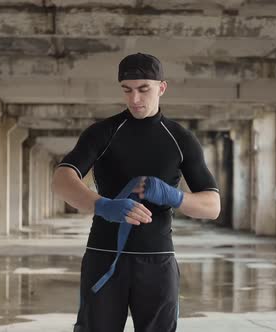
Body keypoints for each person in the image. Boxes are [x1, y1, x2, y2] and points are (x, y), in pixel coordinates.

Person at [52, 52, 221, 332]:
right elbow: (61, 178)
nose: (135, 99)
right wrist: (102, 205)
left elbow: (212, 206)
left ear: (162, 88)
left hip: (157, 259)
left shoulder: (180, 139)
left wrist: (173, 196)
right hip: (104, 255)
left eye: (144, 89)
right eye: (127, 90)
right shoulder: (103, 132)